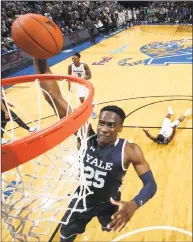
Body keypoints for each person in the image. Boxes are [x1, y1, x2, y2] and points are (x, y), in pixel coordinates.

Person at [60, 105, 157, 242]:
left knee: (109, 227)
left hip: (110, 203)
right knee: (66, 234)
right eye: (101, 123)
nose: (104, 129)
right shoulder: (86, 138)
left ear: (120, 128)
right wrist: (47, 84)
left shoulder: (129, 150)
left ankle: (105, 224)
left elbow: (151, 184)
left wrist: (134, 204)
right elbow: (59, 102)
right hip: (82, 200)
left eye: (111, 125)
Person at [68, 52, 97, 119]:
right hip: (78, 85)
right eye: (72, 58)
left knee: (90, 100)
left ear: (79, 58)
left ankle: (93, 112)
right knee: (82, 100)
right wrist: (69, 85)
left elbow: (89, 76)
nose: (73, 59)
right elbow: (68, 76)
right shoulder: (70, 66)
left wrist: (82, 79)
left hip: (86, 83)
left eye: (75, 58)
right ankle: (87, 111)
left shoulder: (84, 66)